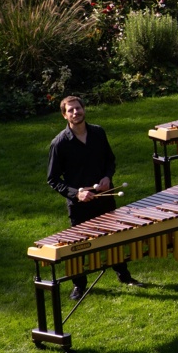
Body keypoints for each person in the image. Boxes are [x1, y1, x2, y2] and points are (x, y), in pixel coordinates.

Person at [47, 96, 144, 301]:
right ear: (65, 115)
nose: (76, 113)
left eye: (78, 108)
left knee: (113, 239)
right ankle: (79, 285)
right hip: (80, 205)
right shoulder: (59, 143)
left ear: (84, 109)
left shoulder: (98, 133)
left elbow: (110, 160)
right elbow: (53, 179)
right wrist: (76, 193)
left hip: (105, 197)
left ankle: (124, 276)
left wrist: (107, 177)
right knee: (78, 246)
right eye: (71, 110)